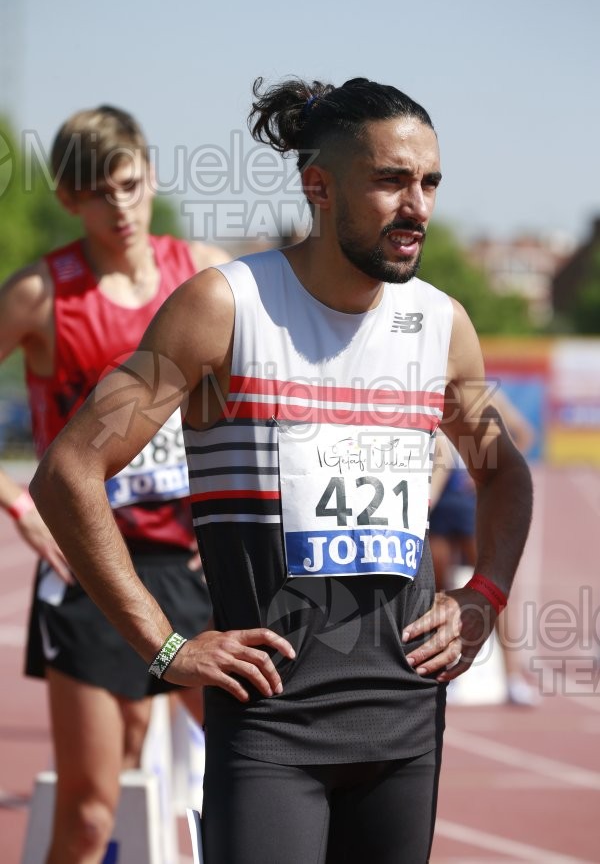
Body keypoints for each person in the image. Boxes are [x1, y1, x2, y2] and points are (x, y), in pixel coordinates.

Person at [30, 78, 533, 864]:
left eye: (430, 182)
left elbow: (505, 473)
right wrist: (165, 647)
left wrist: (486, 596)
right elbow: (68, 472)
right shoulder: (225, 308)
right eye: (392, 180)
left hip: (406, 721)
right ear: (318, 187)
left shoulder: (440, 324)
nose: (419, 207)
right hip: (272, 725)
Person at [0, 105, 229, 864]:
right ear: (70, 199)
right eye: (99, 192)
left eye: (130, 184)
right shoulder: (40, 294)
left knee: (254, 774)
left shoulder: (201, 273)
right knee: (94, 812)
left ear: (151, 174)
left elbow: (251, 408)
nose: (120, 205)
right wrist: (16, 502)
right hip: (91, 571)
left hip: (193, 568)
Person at [429, 387, 538, 704]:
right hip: (438, 500)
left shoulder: (488, 394)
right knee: (438, 593)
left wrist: (491, 474)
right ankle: (447, 676)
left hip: (469, 501)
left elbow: (524, 435)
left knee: (492, 588)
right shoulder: (428, 388)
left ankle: (513, 678)